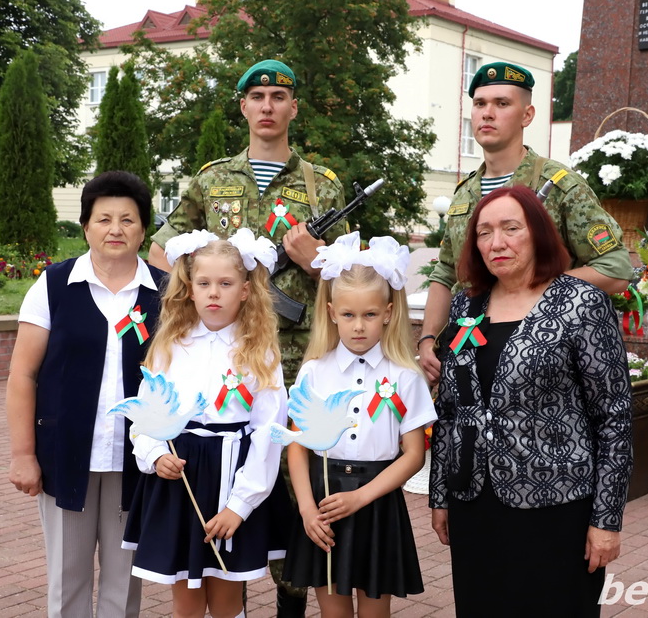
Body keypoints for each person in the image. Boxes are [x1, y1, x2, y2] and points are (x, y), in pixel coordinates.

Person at [148, 58, 346, 617]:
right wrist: (198, 295)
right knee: (225, 479)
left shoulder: (321, 184)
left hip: (302, 358)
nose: (266, 106)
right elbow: (162, 247)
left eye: (277, 97)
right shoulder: (212, 180)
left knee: (295, 482)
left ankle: (291, 604)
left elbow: (355, 279)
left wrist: (316, 263)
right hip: (227, 358)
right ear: (242, 106)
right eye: (256, 96)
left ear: (293, 108)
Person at [428, 186, 633, 617]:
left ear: (538, 233)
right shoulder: (468, 306)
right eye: (484, 232)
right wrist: (442, 495)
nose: (496, 242)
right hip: (476, 506)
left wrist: (606, 520)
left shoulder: (581, 304)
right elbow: (450, 411)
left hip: (556, 509)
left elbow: (613, 419)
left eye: (510, 228)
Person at [6, 171, 164, 618]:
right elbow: (22, 375)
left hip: (137, 460)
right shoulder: (53, 286)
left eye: (128, 220)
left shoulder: (166, 294)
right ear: (86, 226)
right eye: (104, 219)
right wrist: (23, 454)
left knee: (124, 584)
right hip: (65, 456)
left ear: (143, 228)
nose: (116, 229)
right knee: (67, 580)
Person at [419, 61, 633, 384]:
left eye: (502, 103)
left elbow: (616, 268)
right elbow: (447, 271)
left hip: (541, 357)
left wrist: (534, 288)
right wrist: (426, 339)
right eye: (480, 104)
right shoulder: (465, 194)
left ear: (527, 115)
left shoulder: (560, 186)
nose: (487, 113)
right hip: (470, 354)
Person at [122, 229, 291, 618]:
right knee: (186, 596)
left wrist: (240, 505)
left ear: (246, 290)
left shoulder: (260, 352)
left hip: (234, 477)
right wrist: (153, 454)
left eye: (225, 283)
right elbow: (146, 414)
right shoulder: (170, 345)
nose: (214, 292)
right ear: (190, 289)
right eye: (204, 283)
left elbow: (268, 432)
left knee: (227, 598)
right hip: (180, 479)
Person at [282, 232, 436, 617]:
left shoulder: (405, 376)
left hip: (376, 502)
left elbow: (414, 455)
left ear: (387, 312)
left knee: (373, 613)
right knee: (333, 612)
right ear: (332, 312)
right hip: (324, 501)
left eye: (369, 315)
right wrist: (305, 509)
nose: (358, 327)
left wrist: (361, 497)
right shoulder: (315, 372)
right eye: (348, 315)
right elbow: (297, 445)